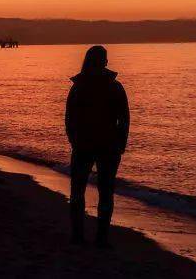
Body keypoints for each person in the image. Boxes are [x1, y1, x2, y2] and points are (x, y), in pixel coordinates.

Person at [65, 45, 130, 247]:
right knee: (105, 192)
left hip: (87, 145)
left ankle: (78, 236)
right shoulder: (114, 87)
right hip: (106, 146)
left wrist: (74, 140)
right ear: (105, 62)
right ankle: (101, 238)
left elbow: (69, 119)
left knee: (78, 191)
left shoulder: (79, 87)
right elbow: (125, 119)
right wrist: (120, 144)